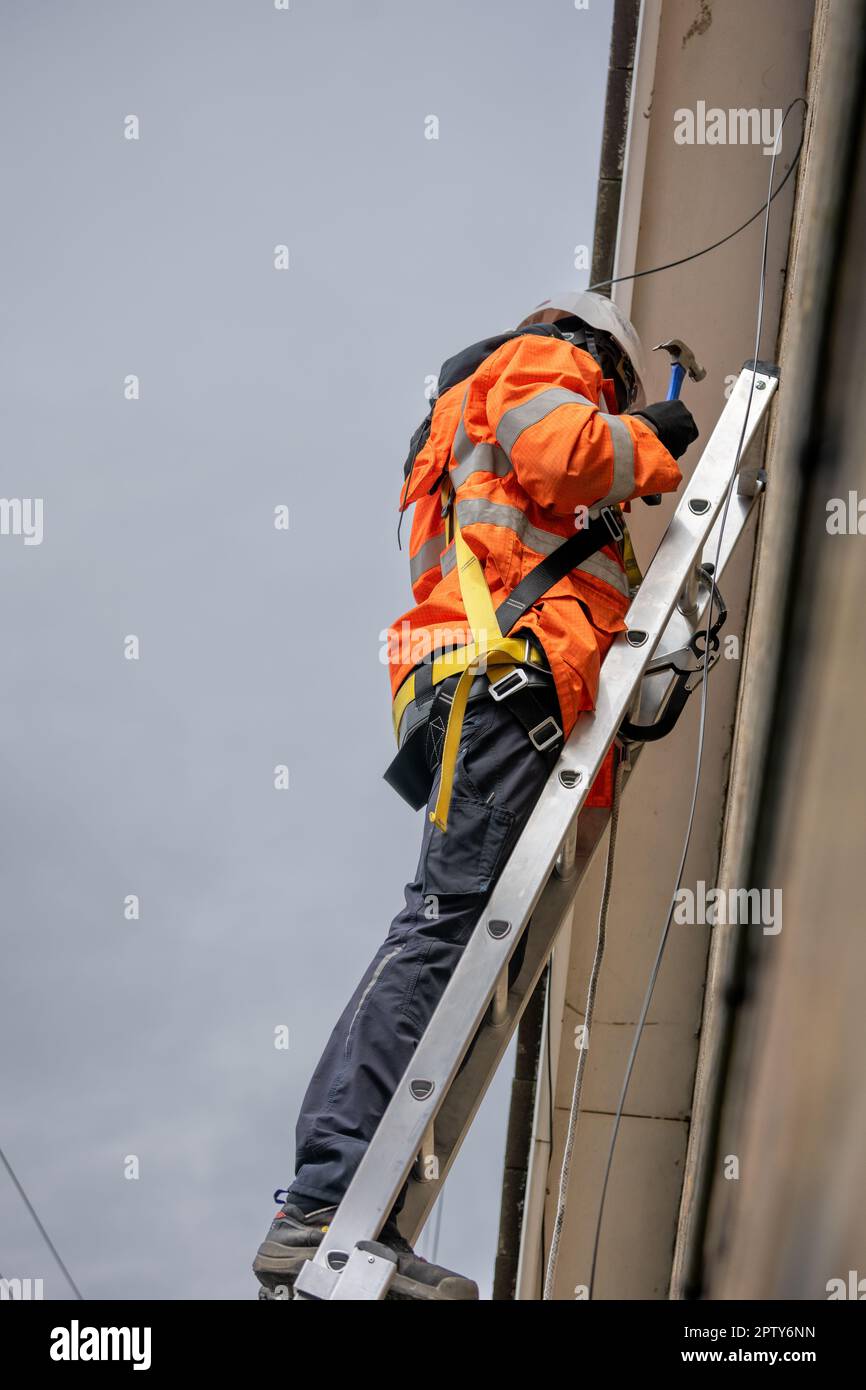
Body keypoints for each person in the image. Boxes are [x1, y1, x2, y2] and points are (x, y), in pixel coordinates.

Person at [253, 291, 698, 1298]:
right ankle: (321, 1204)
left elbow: (553, 537)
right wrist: (651, 441)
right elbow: (566, 456)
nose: (616, 398)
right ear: (600, 357)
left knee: (449, 933)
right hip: (503, 679)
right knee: (442, 927)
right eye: (620, 386)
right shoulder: (544, 361)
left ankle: (339, 1208)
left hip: (494, 681)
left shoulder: (463, 426)